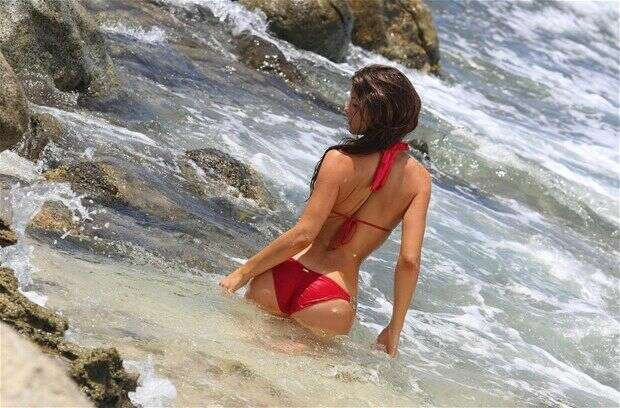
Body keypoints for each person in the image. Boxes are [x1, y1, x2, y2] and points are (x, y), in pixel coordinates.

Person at [219, 64, 431, 357]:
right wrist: (394, 327)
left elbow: (304, 234)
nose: (346, 108)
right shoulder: (419, 179)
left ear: (374, 112)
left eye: (354, 103)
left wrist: (242, 273)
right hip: (331, 298)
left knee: (235, 357)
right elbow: (409, 261)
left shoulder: (338, 159)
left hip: (279, 278)